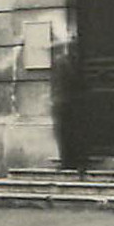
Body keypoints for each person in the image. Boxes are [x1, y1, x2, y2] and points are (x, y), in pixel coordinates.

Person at [49, 28, 85, 171]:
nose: (72, 46)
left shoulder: (73, 61)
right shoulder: (62, 62)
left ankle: (71, 160)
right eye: (71, 44)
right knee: (64, 132)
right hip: (62, 101)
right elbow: (57, 82)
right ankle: (67, 160)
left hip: (68, 101)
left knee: (70, 131)